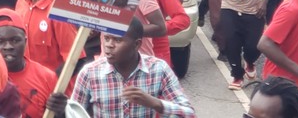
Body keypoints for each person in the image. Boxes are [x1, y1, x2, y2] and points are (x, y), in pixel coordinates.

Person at [46, 17, 195, 118]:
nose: (109, 45)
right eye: (107, 38)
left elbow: (188, 113)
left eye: (117, 40)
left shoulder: (158, 69)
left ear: (137, 44)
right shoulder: (89, 73)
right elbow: (75, 113)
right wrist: (61, 110)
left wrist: (155, 103)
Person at [13, 0, 82, 78]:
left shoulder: (58, 13)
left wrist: (49, 84)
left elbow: (74, 59)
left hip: (49, 91)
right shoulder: (21, 2)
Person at [0, 8, 57, 118]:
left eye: (15, 40)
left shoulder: (47, 77)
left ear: (25, 41)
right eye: (0, 42)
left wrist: (61, 111)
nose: (8, 47)